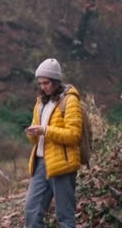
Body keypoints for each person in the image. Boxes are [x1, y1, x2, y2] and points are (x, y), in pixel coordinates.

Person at [24, 58, 82, 228]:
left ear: (56, 81)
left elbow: (73, 135)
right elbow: (37, 137)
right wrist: (32, 133)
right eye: (40, 83)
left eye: (46, 83)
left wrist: (45, 130)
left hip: (63, 164)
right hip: (40, 164)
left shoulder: (70, 101)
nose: (43, 87)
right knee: (31, 212)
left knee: (65, 216)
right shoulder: (40, 102)